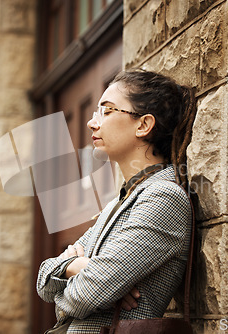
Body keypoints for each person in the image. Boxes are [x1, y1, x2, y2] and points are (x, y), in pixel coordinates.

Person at [37, 69, 197, 333]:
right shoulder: (118, 203)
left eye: (108, 111)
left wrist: (71, 278)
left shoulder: (164, 197)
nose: (92, 123)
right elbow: (44, 278)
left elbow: (87, 295)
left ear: (144, 125)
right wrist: (80, 266)